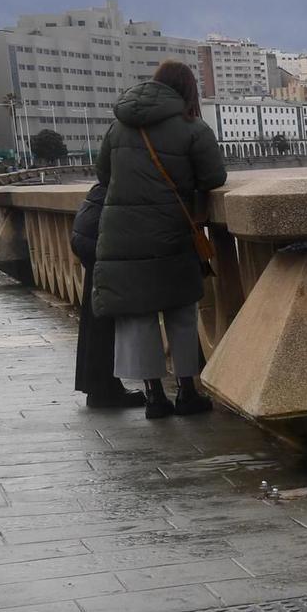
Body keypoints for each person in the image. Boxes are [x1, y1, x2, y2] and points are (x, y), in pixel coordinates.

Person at [91, 60, 226, 420]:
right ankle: (186, 390)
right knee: (181, 310)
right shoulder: (192, 127)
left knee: (137, 314)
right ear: (188, 91)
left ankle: (153, 395)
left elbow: (103, 174)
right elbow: (214, 176)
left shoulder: (118, 127)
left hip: (120, 235)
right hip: (171, 232)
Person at [69, 181, 143, 409]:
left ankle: (99, 387)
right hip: (107, 227)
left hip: (92, 224)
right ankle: (104, 389)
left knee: (96, 311)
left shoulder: (112, 155)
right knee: (105, 312)